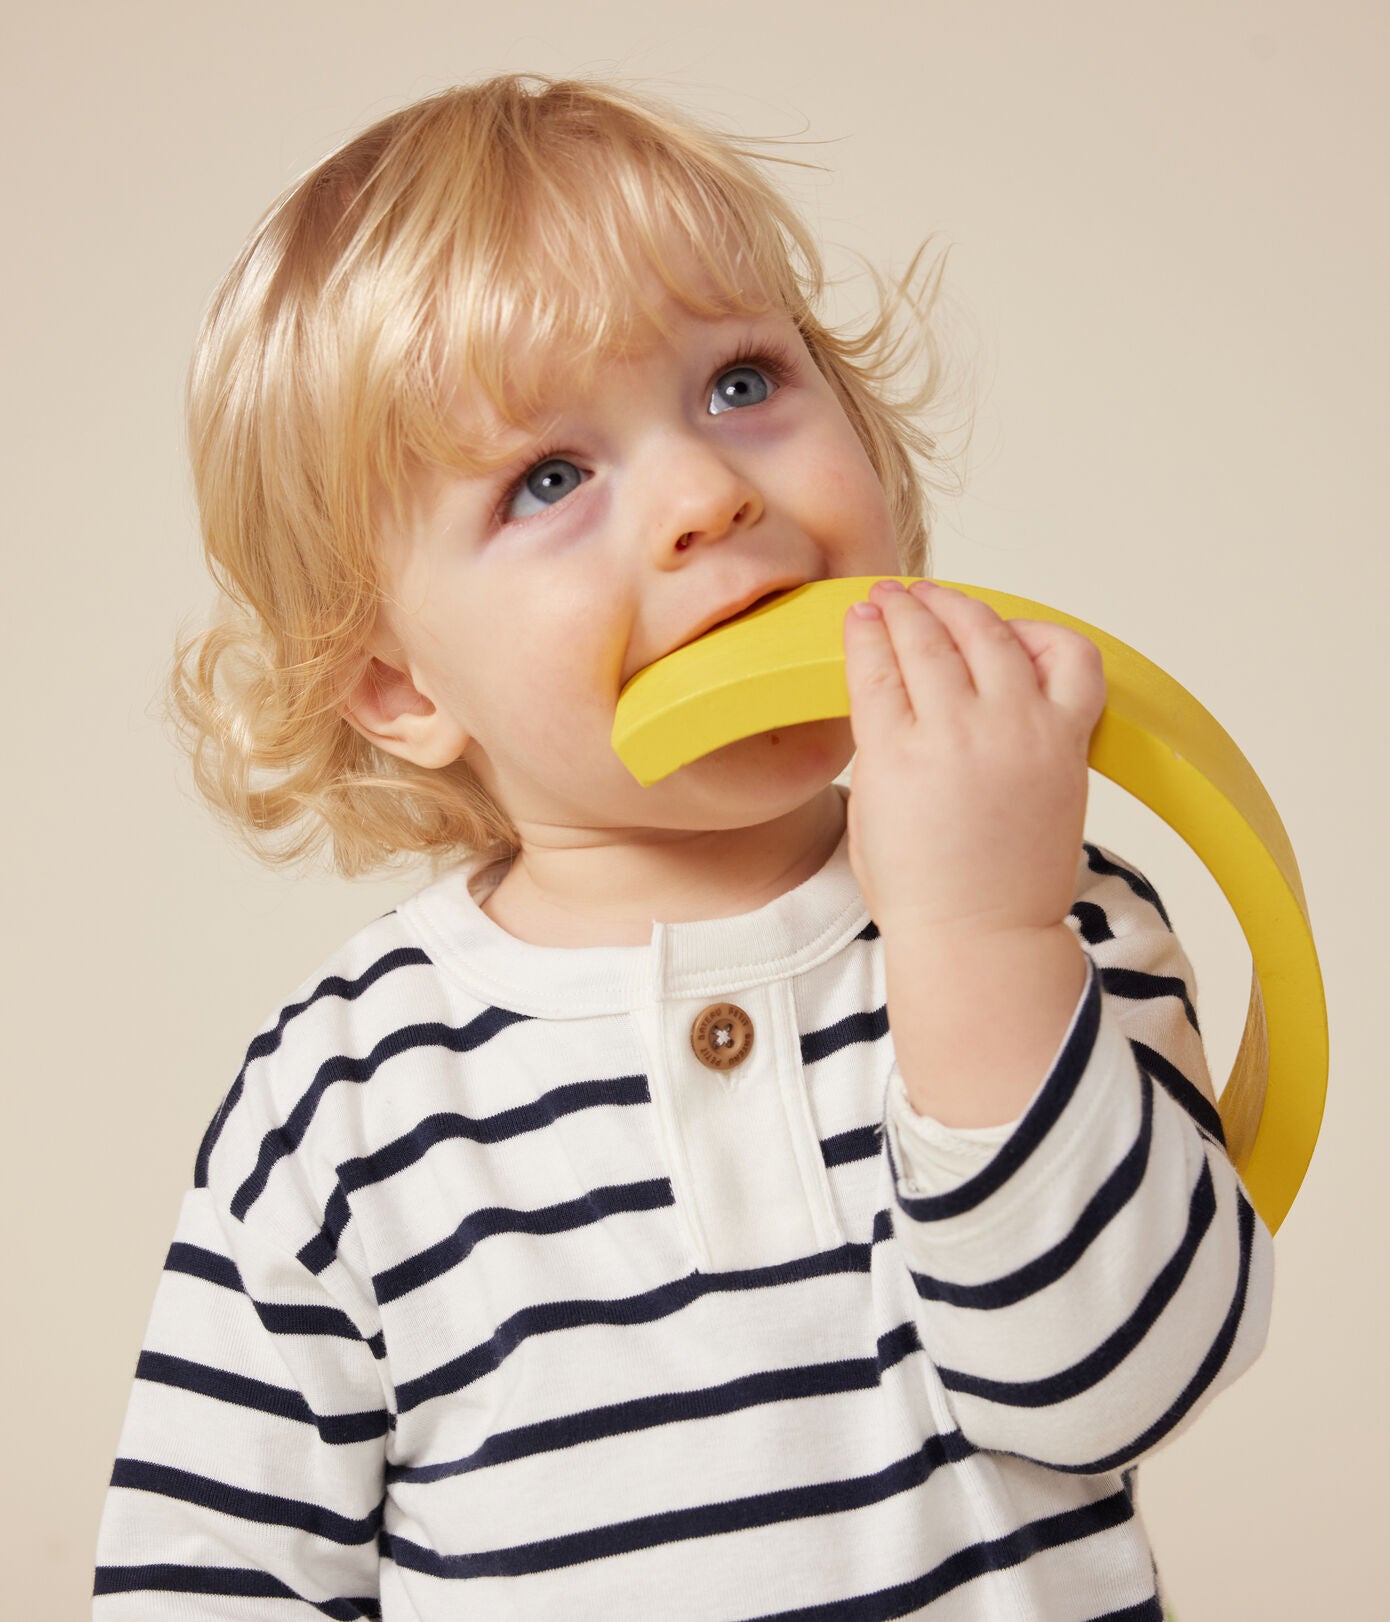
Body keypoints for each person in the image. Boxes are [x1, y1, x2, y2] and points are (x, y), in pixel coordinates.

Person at [92, 72, 1271, 1620]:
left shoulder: (1052, 906)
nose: (707, 495)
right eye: (548, 478)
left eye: (739, 381)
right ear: (399, 684)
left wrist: (979, 937)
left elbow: (1114, 1381)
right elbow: (206, 1574)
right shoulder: (343, 1100)